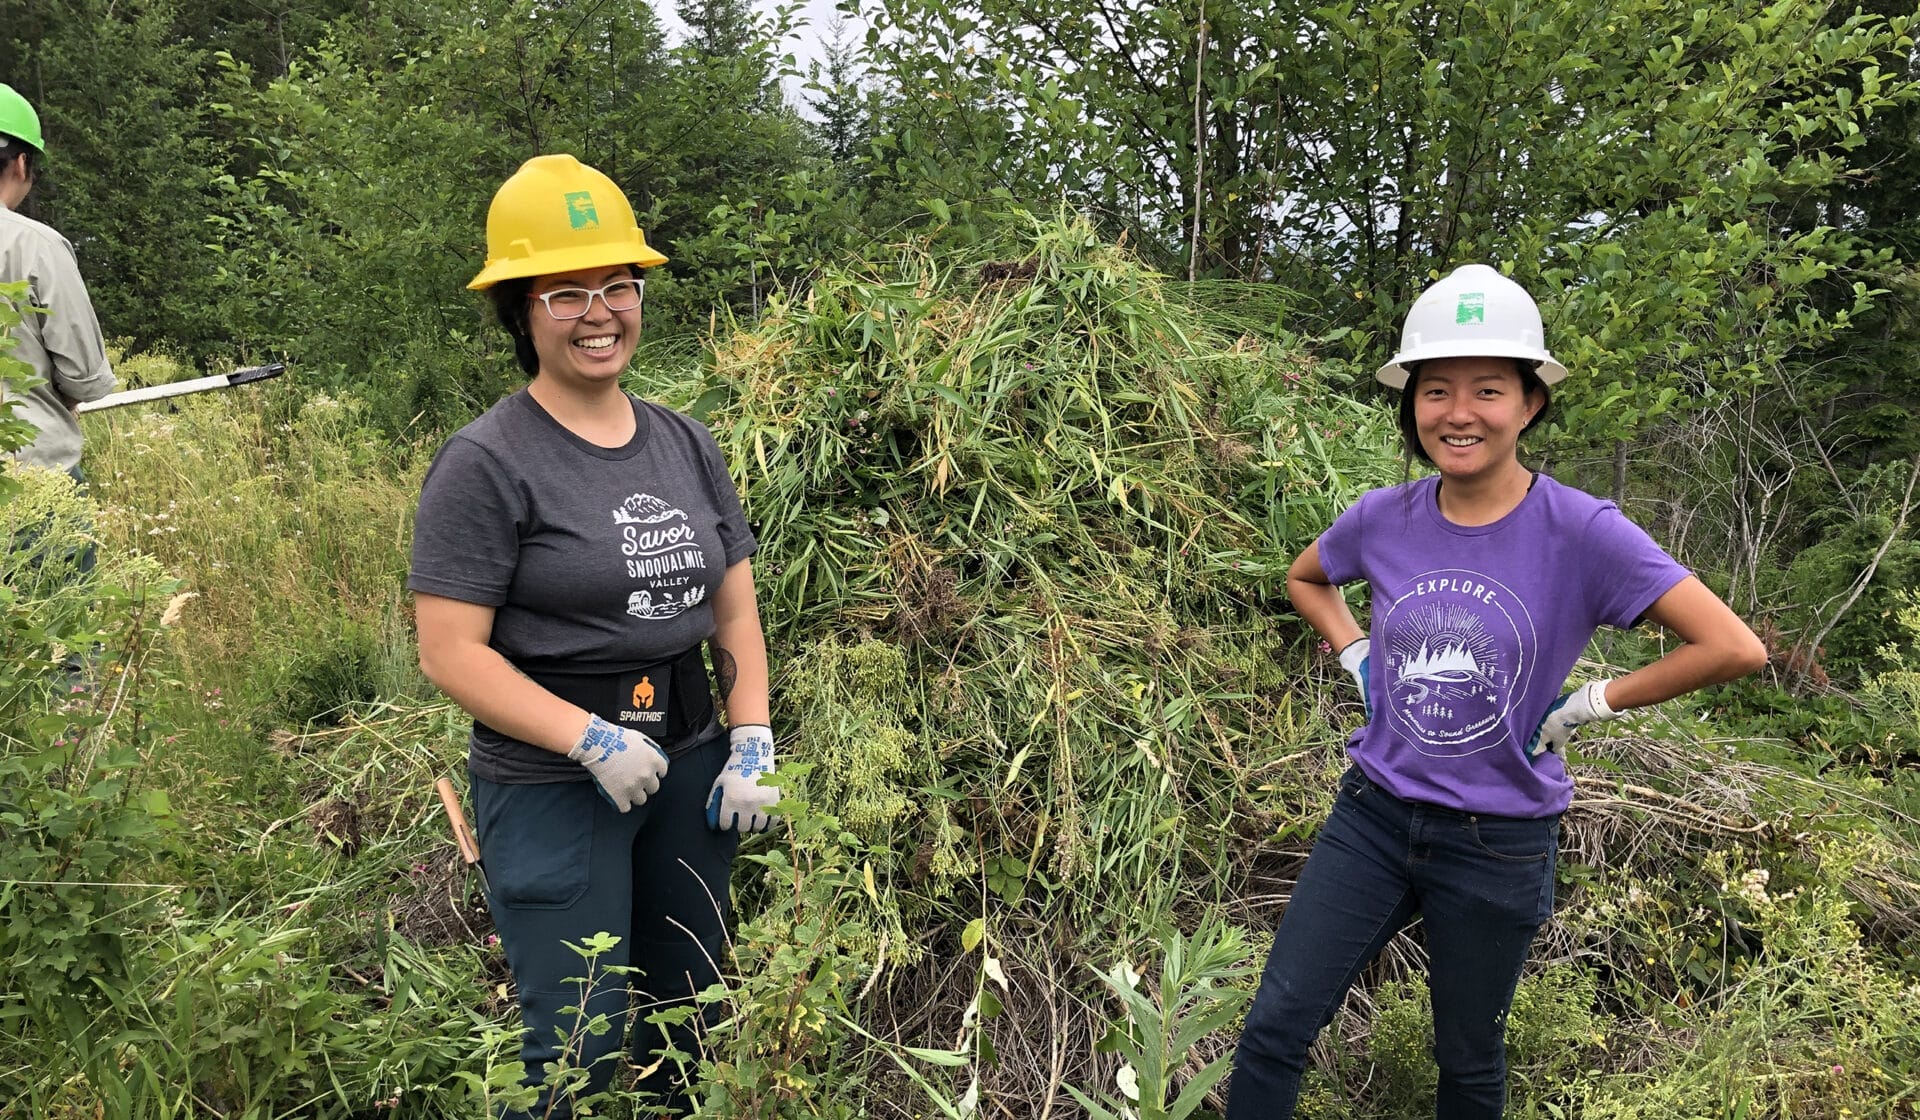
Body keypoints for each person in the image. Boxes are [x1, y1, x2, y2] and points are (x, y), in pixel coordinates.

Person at [1228, 264, 1767, 1118]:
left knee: (1468, 1064)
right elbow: (1308, 579)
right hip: (1371, 814)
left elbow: (1732, 645)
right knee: (1275, 1027)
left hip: (1498, 838)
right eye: (1435, 389)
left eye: (1488, 388)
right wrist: (1358, 655)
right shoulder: (1382, 515)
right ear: (1411, 406)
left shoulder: (1582, 531)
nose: (1458, 412)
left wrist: (1590, 704)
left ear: (1531, 403)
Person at [409, 154, 780, 1118]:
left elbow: (732, 605)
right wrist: (587, 738)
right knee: (576, 1034)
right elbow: (450, 650)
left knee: (690, 1018)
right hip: (555, 780)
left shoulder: (683, 439)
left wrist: (752, 738)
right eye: (567, 292)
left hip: (692, 763)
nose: (600, 312)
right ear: (520, 312)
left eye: (619, 285)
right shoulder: (486, 464)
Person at [1, 82, 116, 572]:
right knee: (57, 637)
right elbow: (85, 376)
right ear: (22, 163)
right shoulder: (36, 246)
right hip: (33, 480)